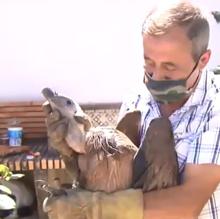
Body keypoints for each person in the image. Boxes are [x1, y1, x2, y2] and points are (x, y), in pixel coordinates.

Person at [43, 1, 220, 218]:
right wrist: (77, 151)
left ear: (203, 60)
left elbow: (188, 204)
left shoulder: (214, 110)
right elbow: (120, 173)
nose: (155, 77)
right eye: (149, 64)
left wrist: (96, 208)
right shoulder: (138, 97)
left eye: (169, 68)